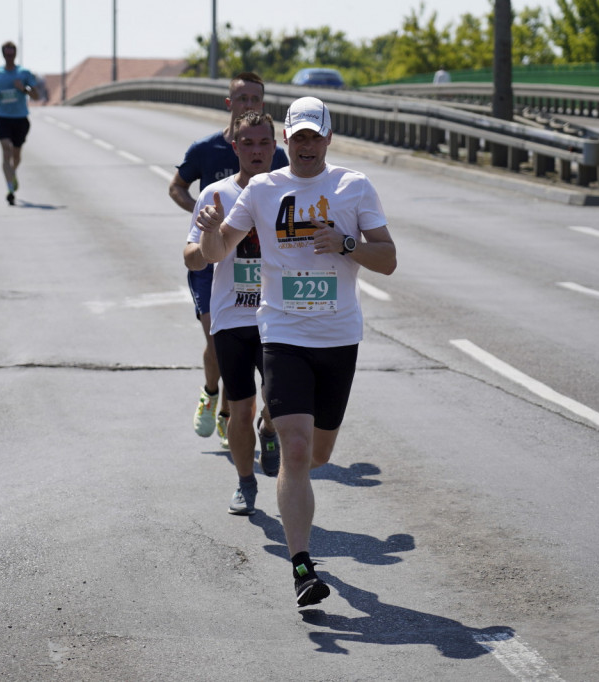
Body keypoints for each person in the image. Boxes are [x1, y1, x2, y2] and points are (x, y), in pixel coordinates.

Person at [196, 96, 397, 607]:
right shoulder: (263, 189)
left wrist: (347, 245)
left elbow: (389, 259)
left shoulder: (354, 187)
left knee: (320, 455)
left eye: (315, 137)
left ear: (329, 139)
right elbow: (219, 252)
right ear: (287, 141)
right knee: (298, 450)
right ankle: (302, 566)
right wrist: (212, 232)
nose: (306, 146)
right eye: (298, 137)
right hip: (282, 334)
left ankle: (279, 448)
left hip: (338, 338)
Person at [169, 72, 288, 452]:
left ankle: (244, 418)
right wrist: (209, 227)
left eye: (256, 99)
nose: (249, 105)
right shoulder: (206, 151)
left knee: (278, 386)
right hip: (216, 267)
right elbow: (177, 188)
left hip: (266, 286)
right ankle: (214, 397)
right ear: (229, 104)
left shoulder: (277, 162)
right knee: (213, 337)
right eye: (242, 99)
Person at [184, 110, 284, 516]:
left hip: (278, 316)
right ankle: (246, 483)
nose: (257, 151)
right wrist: (210, 232)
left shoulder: (286, 191)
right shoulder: (215, 195)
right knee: (240, 409)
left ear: (275, 146)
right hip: (232, 318)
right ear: (235, 146)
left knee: (276, 401)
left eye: (264, 143)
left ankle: (271, 428)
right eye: (248, 143)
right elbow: (192, 259)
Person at [0, 40, 39, 206]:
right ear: (3, 54)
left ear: (15, 54)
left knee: (16, 154)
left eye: (12, 53)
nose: (9, 56)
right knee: (6, 149)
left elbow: (37, 96)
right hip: (2, 116)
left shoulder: (23, 73)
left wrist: (23, 89)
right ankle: (10, 188)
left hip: (20, 118)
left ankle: (13, 173)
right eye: (6, 53)